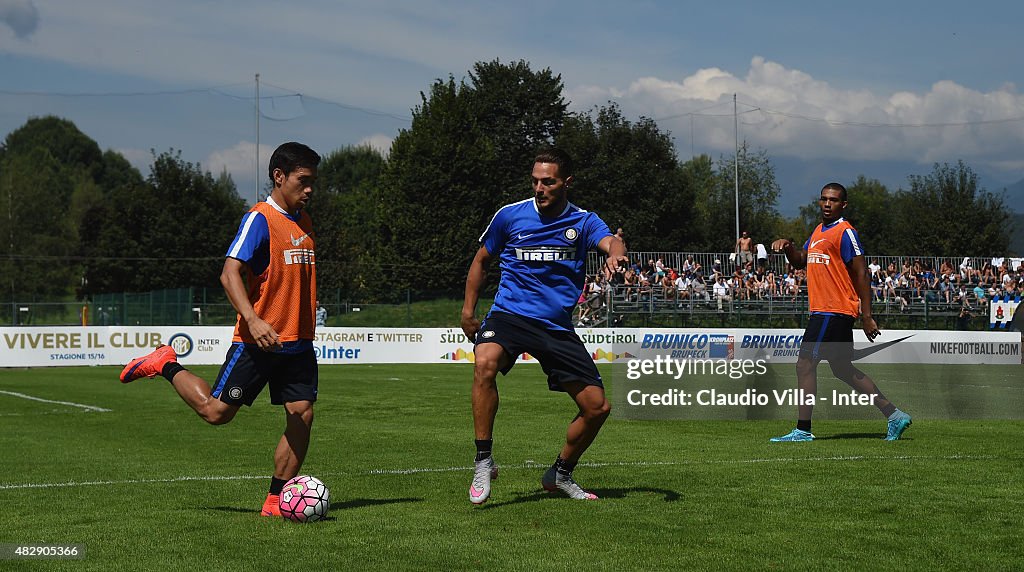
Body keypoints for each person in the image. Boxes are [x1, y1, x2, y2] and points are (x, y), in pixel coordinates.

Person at [118, 142, 323, 516]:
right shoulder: (260, 219)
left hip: (298, 343)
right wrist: (255, 319)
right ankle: (165, 363)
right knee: (216, 413)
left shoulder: (304, 222)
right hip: (257, 342)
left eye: (313, 182)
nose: (310, 189)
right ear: (279, 177)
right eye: (303, 180)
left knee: (302, 414)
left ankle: (276, 501)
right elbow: (229, 272)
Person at [461, 148, 627, 504]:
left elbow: (611, 240)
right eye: (535, 180)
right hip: (510, 315)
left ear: (566, 182)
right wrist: (468, 311)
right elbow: (482, 260)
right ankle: (483, 460)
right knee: (484, 363)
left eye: (548, 181)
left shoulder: (583, 221)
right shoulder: (509, 216)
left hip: (553, 326)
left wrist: (615, 254)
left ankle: (560, 474)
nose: (539, 187)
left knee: (597, 407)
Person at [770, 182, 912, 442]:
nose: (827, 203)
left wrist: (866, 315)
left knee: (804, 364)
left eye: (833, 200)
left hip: (832, 310)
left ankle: (802, 430)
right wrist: (788, 247)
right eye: (823, 199)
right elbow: (802, 259)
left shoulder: (845, 232)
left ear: (843, 205)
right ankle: (895, 415)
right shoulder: (819, 231)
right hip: (825, 310)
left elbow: (861, 272)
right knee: (842, 370)